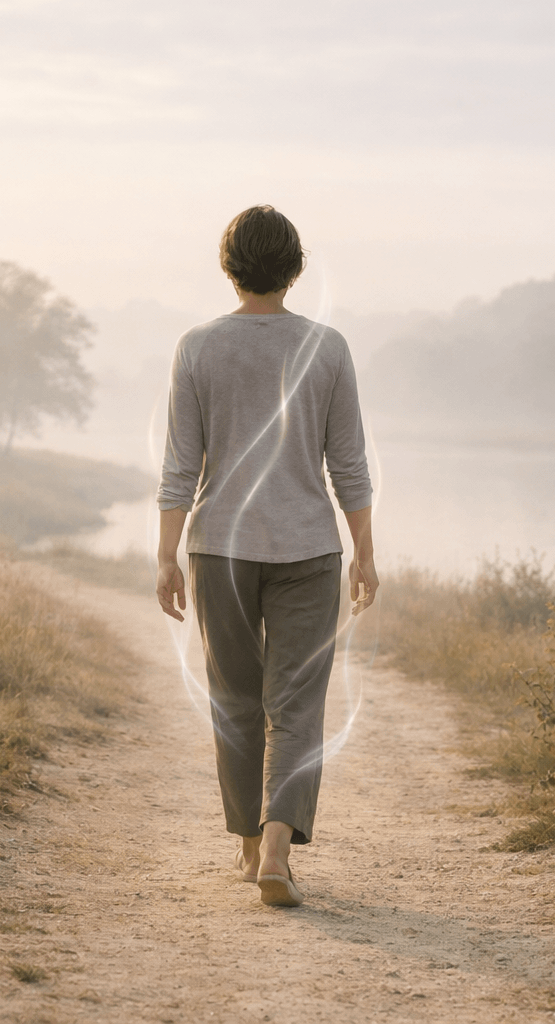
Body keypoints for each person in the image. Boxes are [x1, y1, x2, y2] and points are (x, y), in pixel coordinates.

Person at [155, 204, 378, 909]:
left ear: (230, 266)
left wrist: (165, 555)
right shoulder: (328, 348)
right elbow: (350, 466)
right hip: (310, 548)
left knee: (236, 700)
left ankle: (251, 848)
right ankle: (277, 846)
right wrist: (364, 554)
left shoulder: (198, 347)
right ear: (294, 267)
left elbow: (179, 467)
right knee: (297, 704)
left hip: (218, 548)